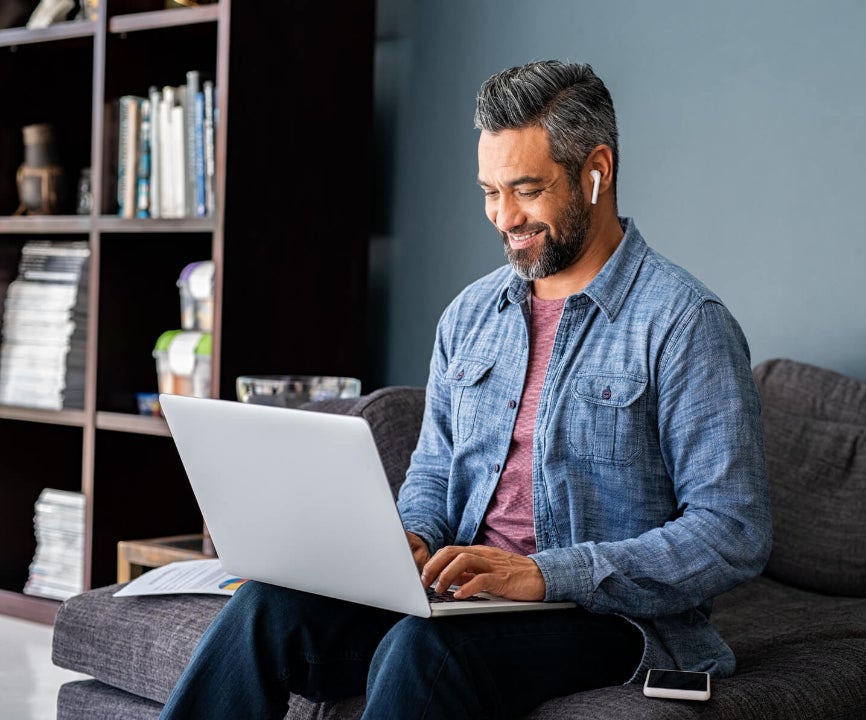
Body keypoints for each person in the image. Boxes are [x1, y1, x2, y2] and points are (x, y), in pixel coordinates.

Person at [159, 60, 771, 720]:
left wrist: (544, 574)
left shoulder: (683, 323)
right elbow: (431, 472)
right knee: (264, 609)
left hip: (607, 617)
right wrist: (413, 538)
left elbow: (732, 530)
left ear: (597, 171)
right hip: (458, 594)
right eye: (489, 191)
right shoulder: (471, 315)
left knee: (427, 648)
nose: (504, 217)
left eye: (527, 190)